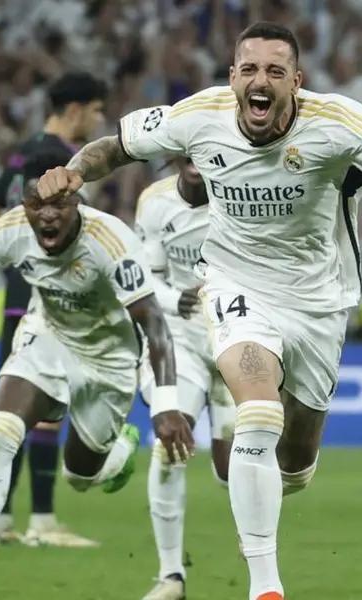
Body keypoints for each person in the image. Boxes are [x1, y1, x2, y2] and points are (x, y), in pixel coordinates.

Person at [35, 21, 362, 600]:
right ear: (233, 78)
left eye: (275, 71)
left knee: (294, 467)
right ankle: (265, 588)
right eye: (249, 69)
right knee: (257, 412)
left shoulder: (340, 124)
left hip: (320, 301)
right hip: (234, 283)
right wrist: (74, 170)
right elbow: (115, 148)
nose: (260, 80)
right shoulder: (200, 115)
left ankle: (268, 494)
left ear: (296, 82)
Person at [0, 154, 194, 600]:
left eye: (59, 205)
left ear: (78, 204)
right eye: (36, 204)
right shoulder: (10, 230)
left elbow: (154, 323)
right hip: (45, 340)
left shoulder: (110, 240)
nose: (47, 214)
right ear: (24, 205)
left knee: (79, 476)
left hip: (108, 361)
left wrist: (164, 406)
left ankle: (118, 450)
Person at [0, 72, 108, 548]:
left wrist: (3, 250)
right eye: (96, 110)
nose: (98, 120)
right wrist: (18, 251)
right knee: (37, 407)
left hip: (26, 294)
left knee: (20, 408)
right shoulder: (54, 160)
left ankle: (7, 518)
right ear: (75, 109)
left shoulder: (23, 150)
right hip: (42, 296)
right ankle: (38, 520)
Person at [134, 159, 236, 600]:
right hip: (182, 337)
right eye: (189, 152)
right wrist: (179, 300)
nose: (198, 163)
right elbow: (145, 278)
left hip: (239, 336)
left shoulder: (244, 197)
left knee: (235, 469)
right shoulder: (155, 203)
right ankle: (170, 576)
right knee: (168, 448)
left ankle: (264, 575)